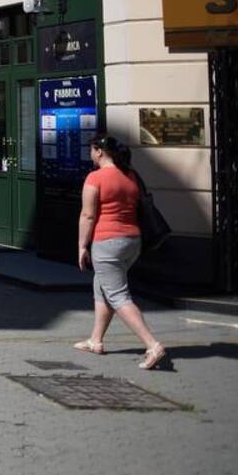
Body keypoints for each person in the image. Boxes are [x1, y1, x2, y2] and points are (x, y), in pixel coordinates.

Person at [75, 134, 167, 369]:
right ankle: (95, 340)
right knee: (102, 287)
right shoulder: (131, 176)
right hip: (132, 241)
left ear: (99, 152)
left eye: (91, 150)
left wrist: (82, 246)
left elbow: (87, 215)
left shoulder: (95, 178)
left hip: (107, 242)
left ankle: (152, 345)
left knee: (117, 294)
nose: (90, 154)